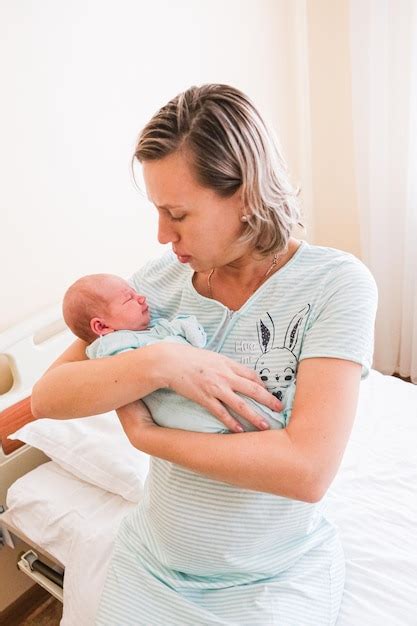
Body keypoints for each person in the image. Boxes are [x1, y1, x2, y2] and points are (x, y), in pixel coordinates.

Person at [32, 84, 378, 625]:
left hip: (272, 577)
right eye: (157, 211)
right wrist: (160, 363)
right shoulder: (151, 290)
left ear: (245, 196)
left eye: (178, 213)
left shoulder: (335, 286)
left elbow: (307, 471)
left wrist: (151, 438)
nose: (162, 233)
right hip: (155, 562)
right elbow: (48, 398)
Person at [62, 272, 290, 432]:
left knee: (251, 400)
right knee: (227, 415)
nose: (141, 298)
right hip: (176, 406)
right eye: (128, 298)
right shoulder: (109, 346)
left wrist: (181, 326)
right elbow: (133, 367)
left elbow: (195, 341)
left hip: (202, 386)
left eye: (135, 292)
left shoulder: (154, 328)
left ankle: (283, 415)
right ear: (102, 327)